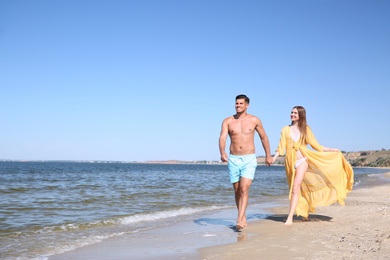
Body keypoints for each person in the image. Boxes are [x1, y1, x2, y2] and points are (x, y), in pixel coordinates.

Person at [272, 106, 354, 225]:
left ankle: (289, 218)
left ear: (301, 115)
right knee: (298, 187)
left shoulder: (306, 129)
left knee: (295, 188)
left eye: (295, 113)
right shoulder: (285, 129)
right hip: (289, 162)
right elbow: (281, 146)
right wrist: (274, 158)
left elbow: (316, 146)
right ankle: (305, 212)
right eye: (291, 112)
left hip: (303, 160)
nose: (292, 114)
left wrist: (331, 149)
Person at [219, 94, 273, 230]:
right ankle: (242, 217)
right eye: (236, 103)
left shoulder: (254, 120)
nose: (238, 106)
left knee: (244, 188)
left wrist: (268, 155)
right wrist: (222, 152)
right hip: (233, 158)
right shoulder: (228, 121)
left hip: (249, 159)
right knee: (237, 190)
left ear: (247, 105)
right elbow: (222, 137)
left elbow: (264, 137)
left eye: (241, 104)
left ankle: (239, 218)